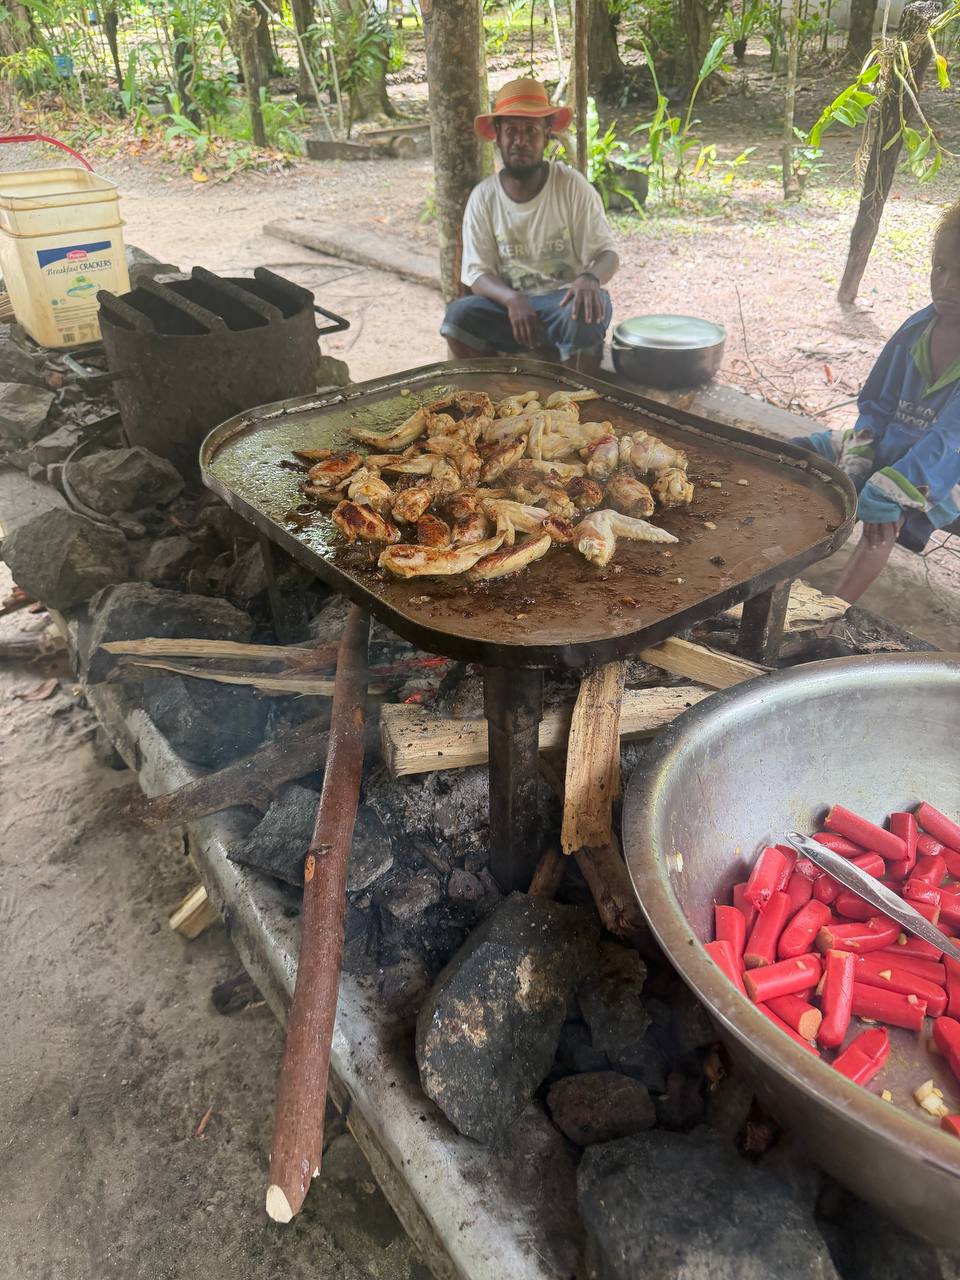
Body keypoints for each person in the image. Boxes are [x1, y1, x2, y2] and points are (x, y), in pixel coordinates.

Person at [797, 199, 960, 603]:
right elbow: (877, 404)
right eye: (941, 268)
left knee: (884, 511)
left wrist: (889, 488)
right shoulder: (917, 328)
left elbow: (947, 443)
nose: (947, 285)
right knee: (803, 456)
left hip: (947, 467)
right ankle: (776, 564)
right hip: (901, 444)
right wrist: (863, 451)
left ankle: (826, 617)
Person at [440, 78, 619, 374]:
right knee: (458, 317)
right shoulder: (484, 198)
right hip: (508, 312)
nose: (520, 141)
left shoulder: (572, 186)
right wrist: (513, 299)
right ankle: (493, 391)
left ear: (547, 136)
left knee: (588, 309)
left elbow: (608, 255)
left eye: (530, 131)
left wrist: (590, 277)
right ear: (497, 136)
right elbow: (477, 275)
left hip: (563, 304)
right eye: (511, 131)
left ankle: (573, 399)